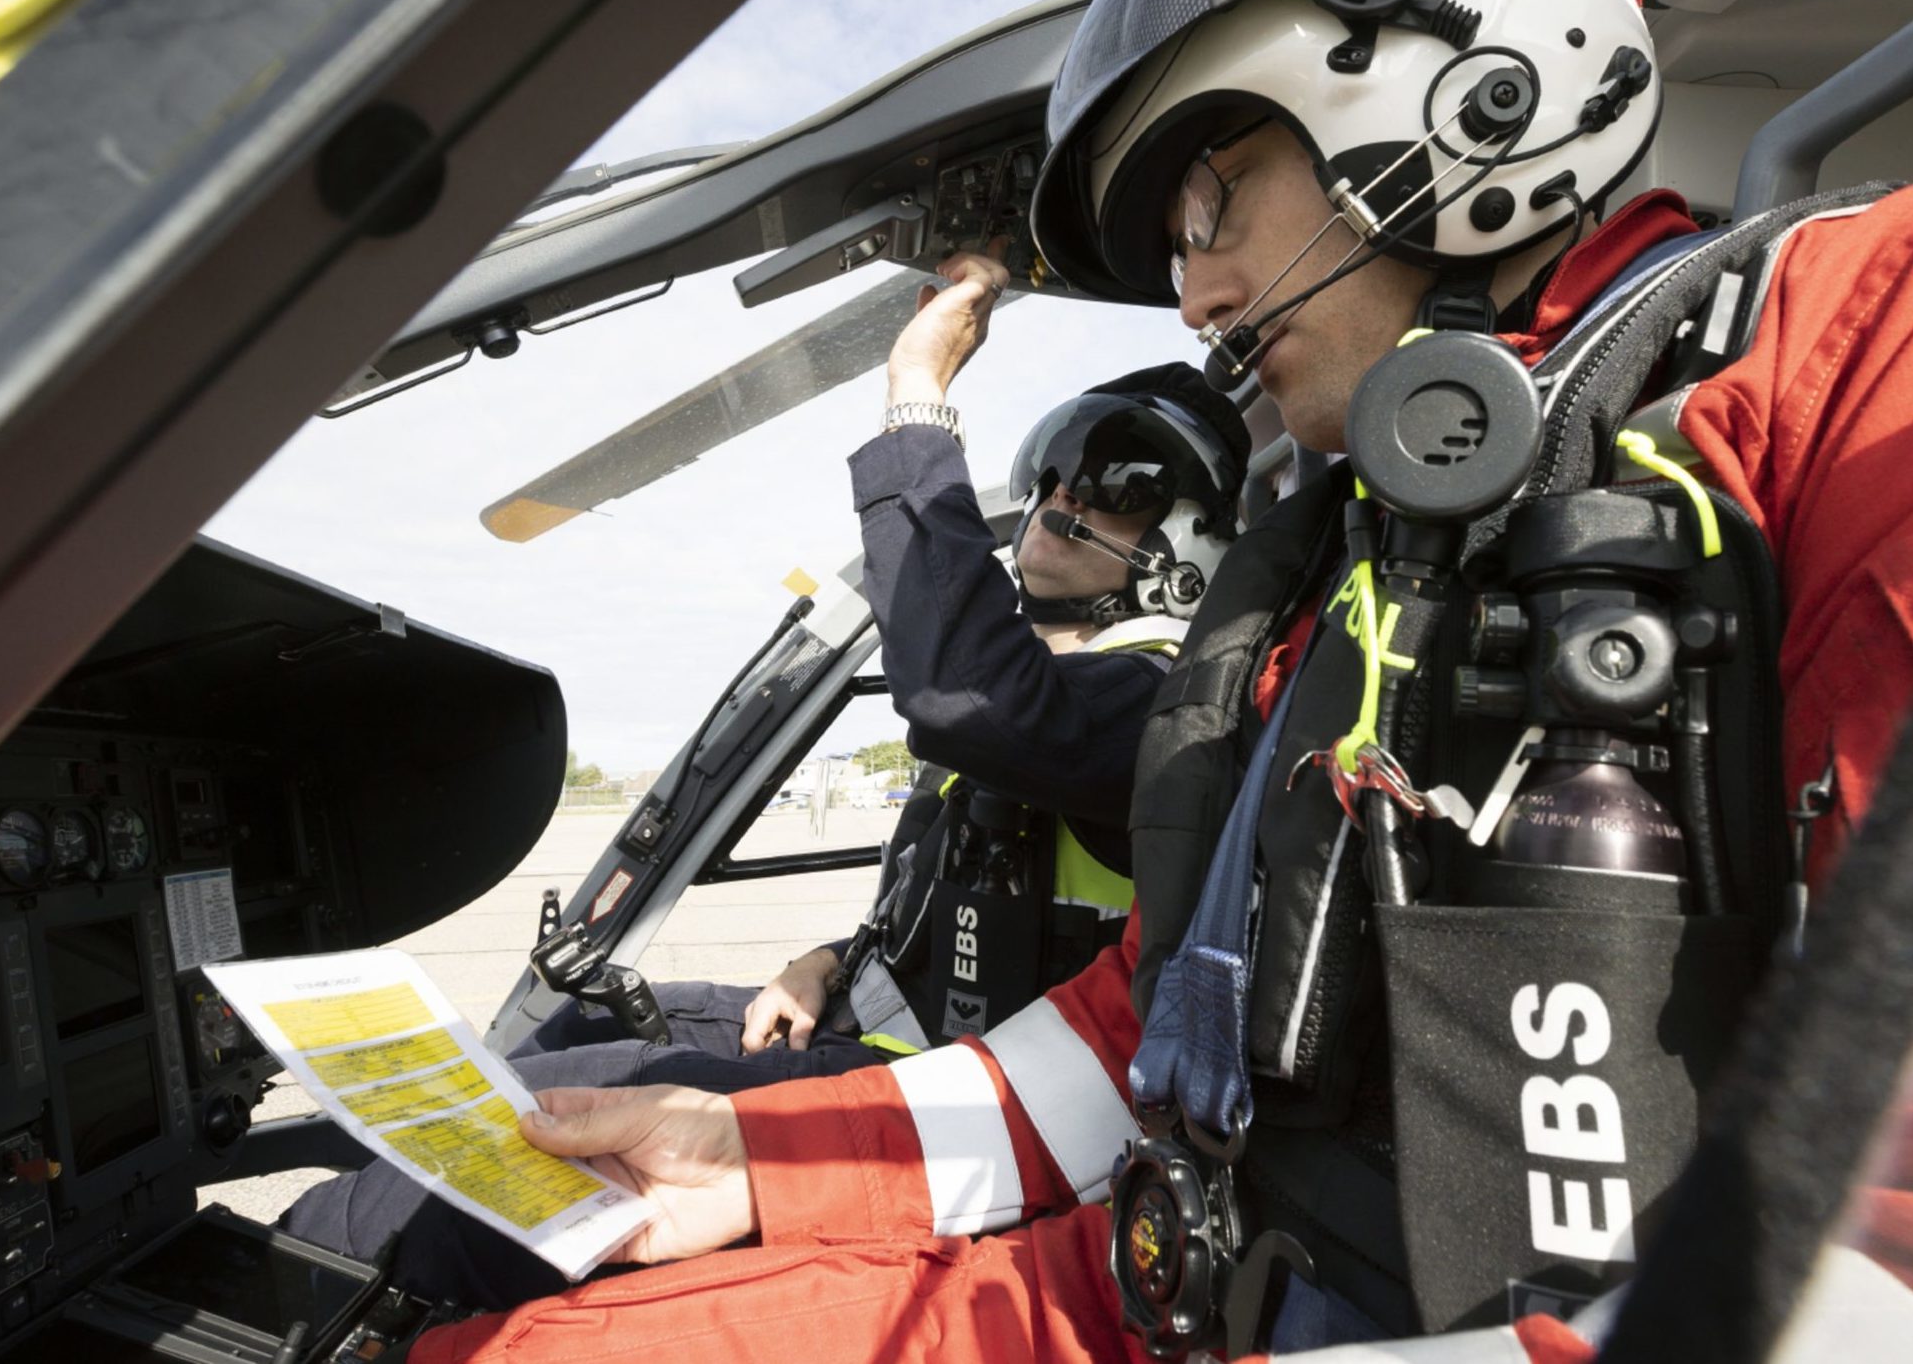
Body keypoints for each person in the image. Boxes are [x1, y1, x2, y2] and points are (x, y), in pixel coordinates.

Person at [406, 0, 1913, 1359]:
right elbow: (1152, 1030)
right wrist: (754, 1160)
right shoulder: (1350, 548)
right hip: (1171, 1268)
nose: (1190, 289)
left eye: (1210, 203)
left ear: (1452, 94)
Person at [278, 273, 1250, 1311]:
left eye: (1116, 482)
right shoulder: (1072, 684)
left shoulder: (1165, 698)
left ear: (1185, 540)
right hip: (878, 1022)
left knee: (494, 1163)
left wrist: (915, 392)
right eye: (1058, 469)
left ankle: (323, 1287)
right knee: (562, 1031)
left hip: (954, 1093)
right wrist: (829, 957)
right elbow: (964, 889)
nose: (1063, 498)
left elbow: (972, 698)